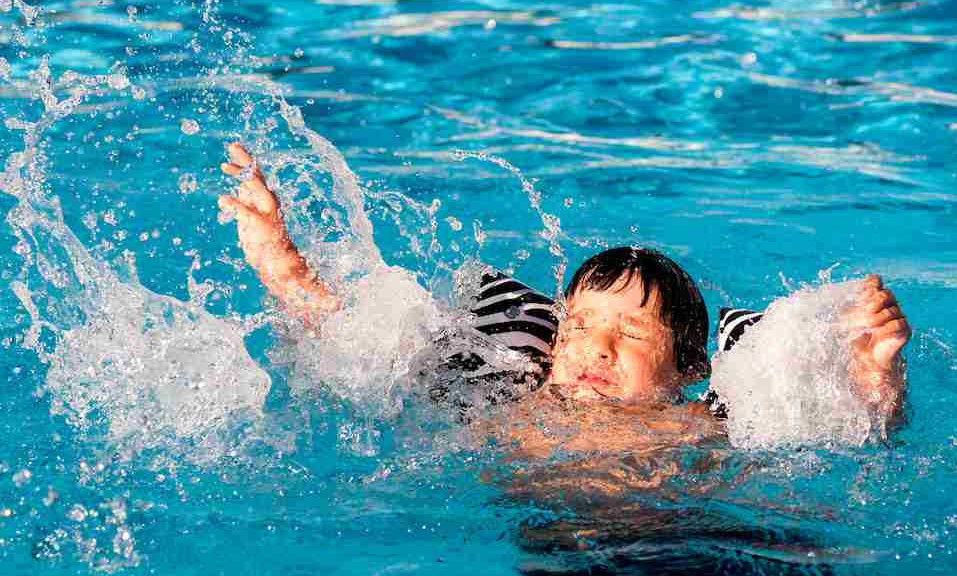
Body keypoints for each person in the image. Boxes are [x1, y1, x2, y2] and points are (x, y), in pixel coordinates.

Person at [217, 143, 911, 457]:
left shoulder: (705, 424)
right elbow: (352, 357)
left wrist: (877, 378)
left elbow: (852, 433)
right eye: (581, 327)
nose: (599, 348)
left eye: (634, 334)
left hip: (689, 541)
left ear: (688, 369)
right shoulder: (498, 405)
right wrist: (284, 265)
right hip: (541, 547)